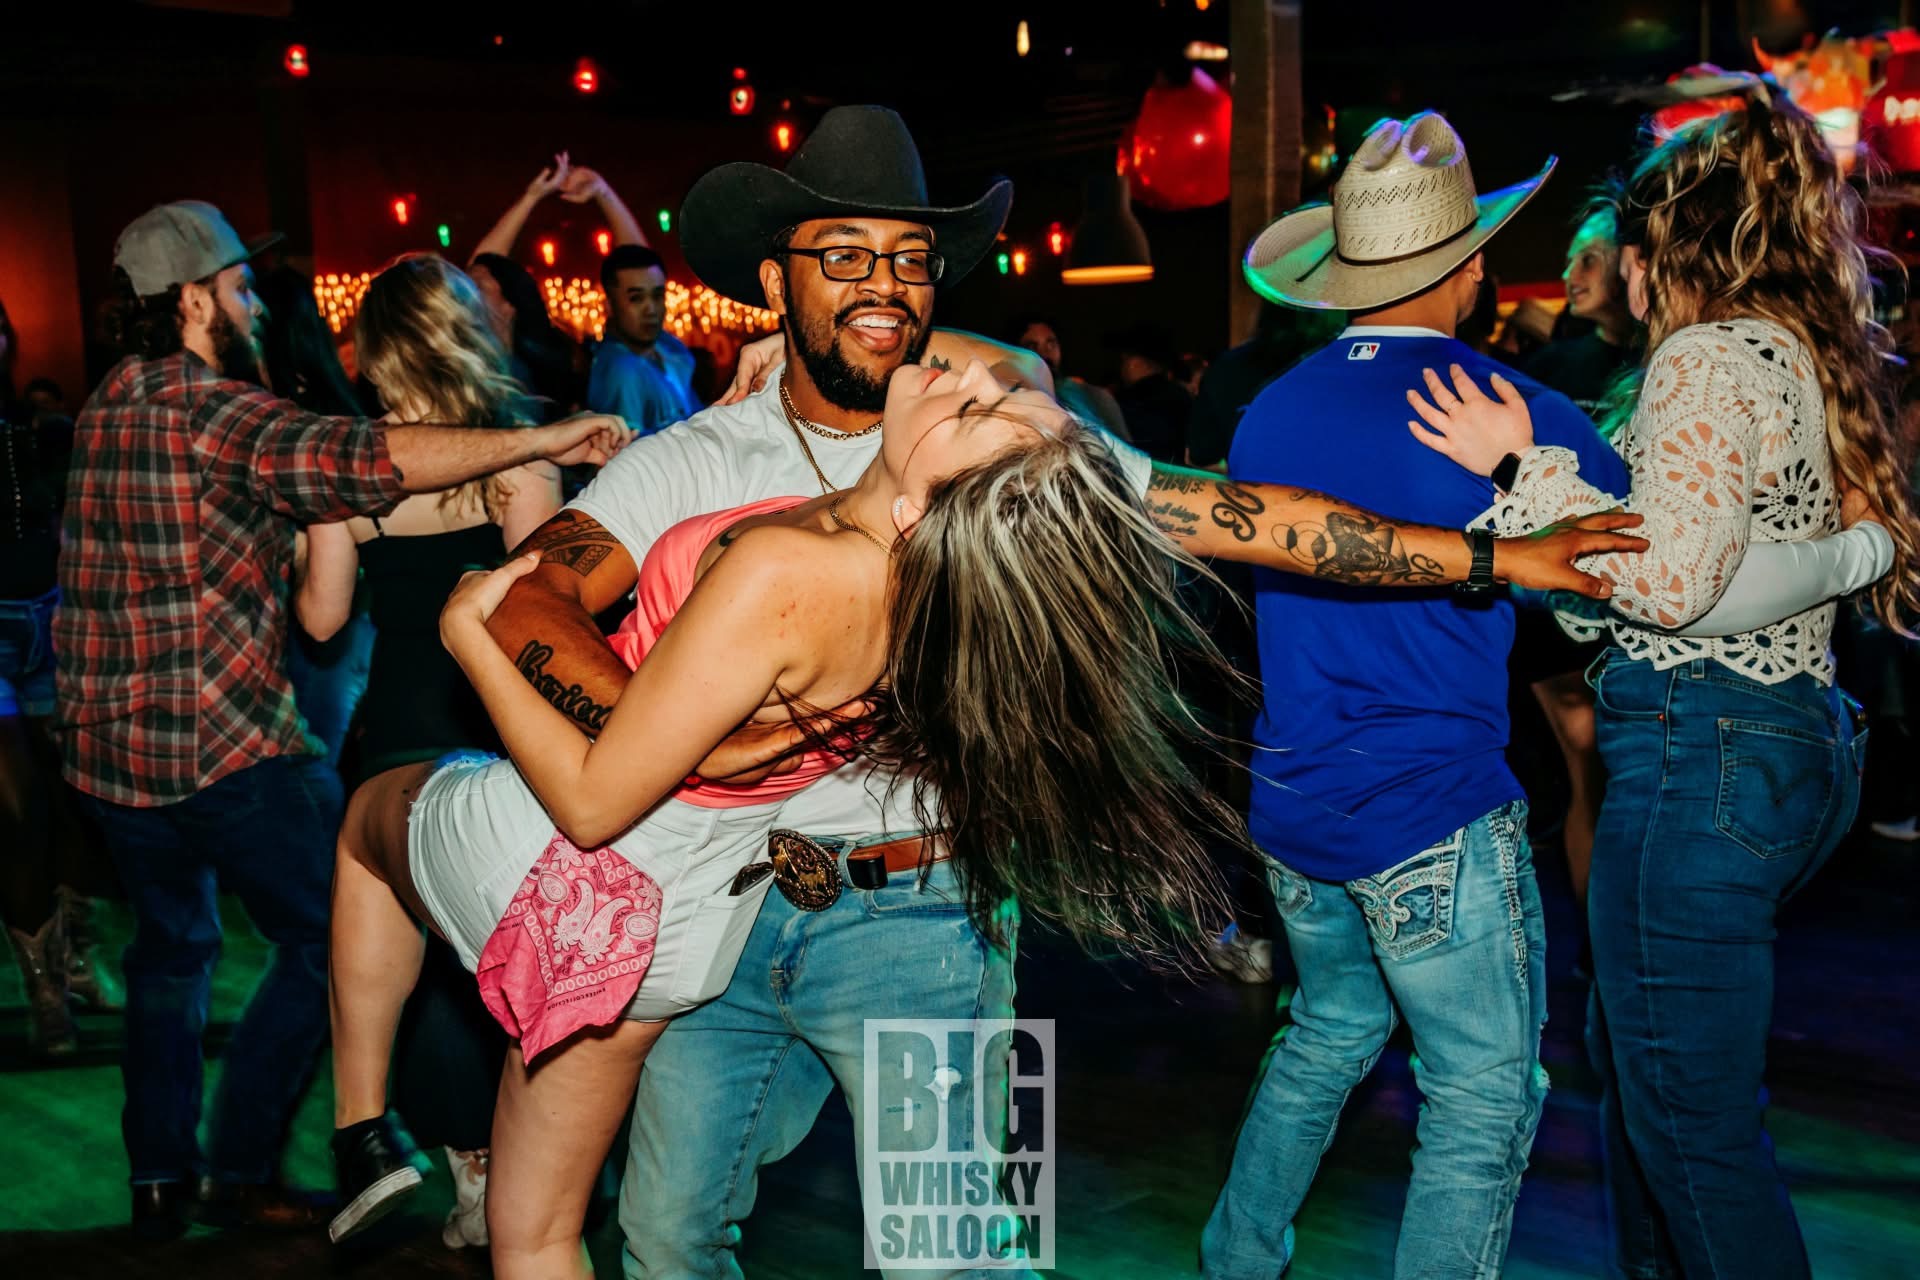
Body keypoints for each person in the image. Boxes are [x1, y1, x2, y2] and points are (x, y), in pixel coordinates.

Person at [482, 105, 1649, 1279]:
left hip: (933, 907)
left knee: (972, 1257)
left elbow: (1264, 525)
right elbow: (529, 600)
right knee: (665, 1237)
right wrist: (658, 740)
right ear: (776, 283)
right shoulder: (693, 458)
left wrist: (1498, 558)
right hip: (715, 906)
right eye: (841, 255)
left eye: (908, 258)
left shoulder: (1004, 437)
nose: (880, 283)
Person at [1406, 85, 1916, 1279]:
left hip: (1706, 751)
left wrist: (1518, 468)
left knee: (1692, 1126)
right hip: (1787, 745)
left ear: (1658, 250)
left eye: (1625, 248)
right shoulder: (1793, 349)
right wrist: (1862, 550)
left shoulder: (1701, 354)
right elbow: (1736, 568)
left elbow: (1674, 583)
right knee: (1642, 1067)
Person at [58, 200, 630, 1240]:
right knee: (354, 939)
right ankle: (283, 1164)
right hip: (231, 745)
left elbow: (322, 611)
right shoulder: (217, 408)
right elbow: (379, 473)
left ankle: (163, 1178)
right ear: (190, 299)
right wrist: (540, 437)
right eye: (236, 287)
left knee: (175, 950)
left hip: (116, 757)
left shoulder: (105, 405)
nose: (253, 305)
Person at [1200, 111, 1631, 1280]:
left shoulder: (1270, 407)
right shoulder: (1510, 407)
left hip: (1293, 803)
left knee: (1328, 1029)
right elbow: (1636, 568)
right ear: (1472, 264)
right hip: (1430, 809)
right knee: (1485, 1091)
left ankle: (1235, 1257)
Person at [296, 253, 564, 1251]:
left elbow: (322, 622)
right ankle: (509, 1173)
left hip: (395, 731)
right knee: (492, 963)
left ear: (373, 351)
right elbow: (531, 621)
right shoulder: (519, 458)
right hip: (493, 733)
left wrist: (305, 550)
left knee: (393, 960)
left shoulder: (344, 470)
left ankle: (421, 1151)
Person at [1509, 185, 1646, 926]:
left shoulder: (1676, 363)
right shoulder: (1554, 371)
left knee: (1636, 777)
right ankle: (1604, 951)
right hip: (1563, 600)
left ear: (1634, 262)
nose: (1573, 271)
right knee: (1588, 764)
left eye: (1590, 256)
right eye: (1569, 259)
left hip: (1655, 593)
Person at [471, 153, 652, 413]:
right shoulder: (466, 370)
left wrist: (604, 194)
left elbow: (640, 274)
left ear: (508, 307)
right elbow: (482, 263)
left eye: (478, 285)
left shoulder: (560, 378)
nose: (463, 289)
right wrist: (531, 197)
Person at [586, 244, 698, 435]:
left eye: (657, 295)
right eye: (636, 299)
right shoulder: (622, 371)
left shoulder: (670, 351)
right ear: (609, 305)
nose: (651, 310)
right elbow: (624, 454)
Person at [1008, 313, 1127, 437]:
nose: (1044, 352)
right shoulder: (1013, 405)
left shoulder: (1093, 396)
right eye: (1032, 346)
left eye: (1051, 343)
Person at [1107, 322, 1192, 462]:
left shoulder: (1130, 400)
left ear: (1137, 363)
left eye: (1124, 361)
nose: (1122, 369)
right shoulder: (1179, 394)